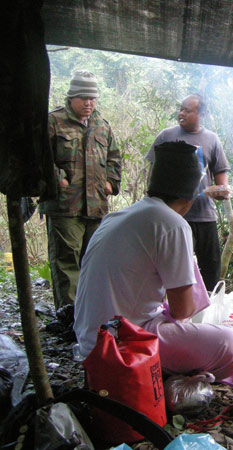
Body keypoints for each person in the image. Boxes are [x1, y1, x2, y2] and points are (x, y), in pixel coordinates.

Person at [74, 141, 233, 384]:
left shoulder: (117, 216)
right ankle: (172, 380)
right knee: (230, 342)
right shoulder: (172, 223)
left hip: (90, 342)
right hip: (123, 344)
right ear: (189, 198)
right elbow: (182, 310)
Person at [39, 70, 122, 310]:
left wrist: (110, 184)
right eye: (83, 97)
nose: (88, 103)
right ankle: (69, 318)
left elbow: (115, 159)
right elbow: (39, 157)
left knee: (94, 262)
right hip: (65, 205)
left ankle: (89, 315)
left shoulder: (102, 125)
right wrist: (58, 179)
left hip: (96, 207)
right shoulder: (53, 121)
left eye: (93, 98)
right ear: (71, 97)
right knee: (67, 263)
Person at [146, 94, 229, 291]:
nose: (181, 113)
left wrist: (221, 190)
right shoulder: (166, 136)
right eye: (180, 109)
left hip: (204, 216)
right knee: (176, 268)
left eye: (187, 110)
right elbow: (152, 176)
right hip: (173, 216)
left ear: (201, 114)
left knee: (211, 267)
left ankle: (210, 309)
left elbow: (220, 176)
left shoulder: (212, 139)